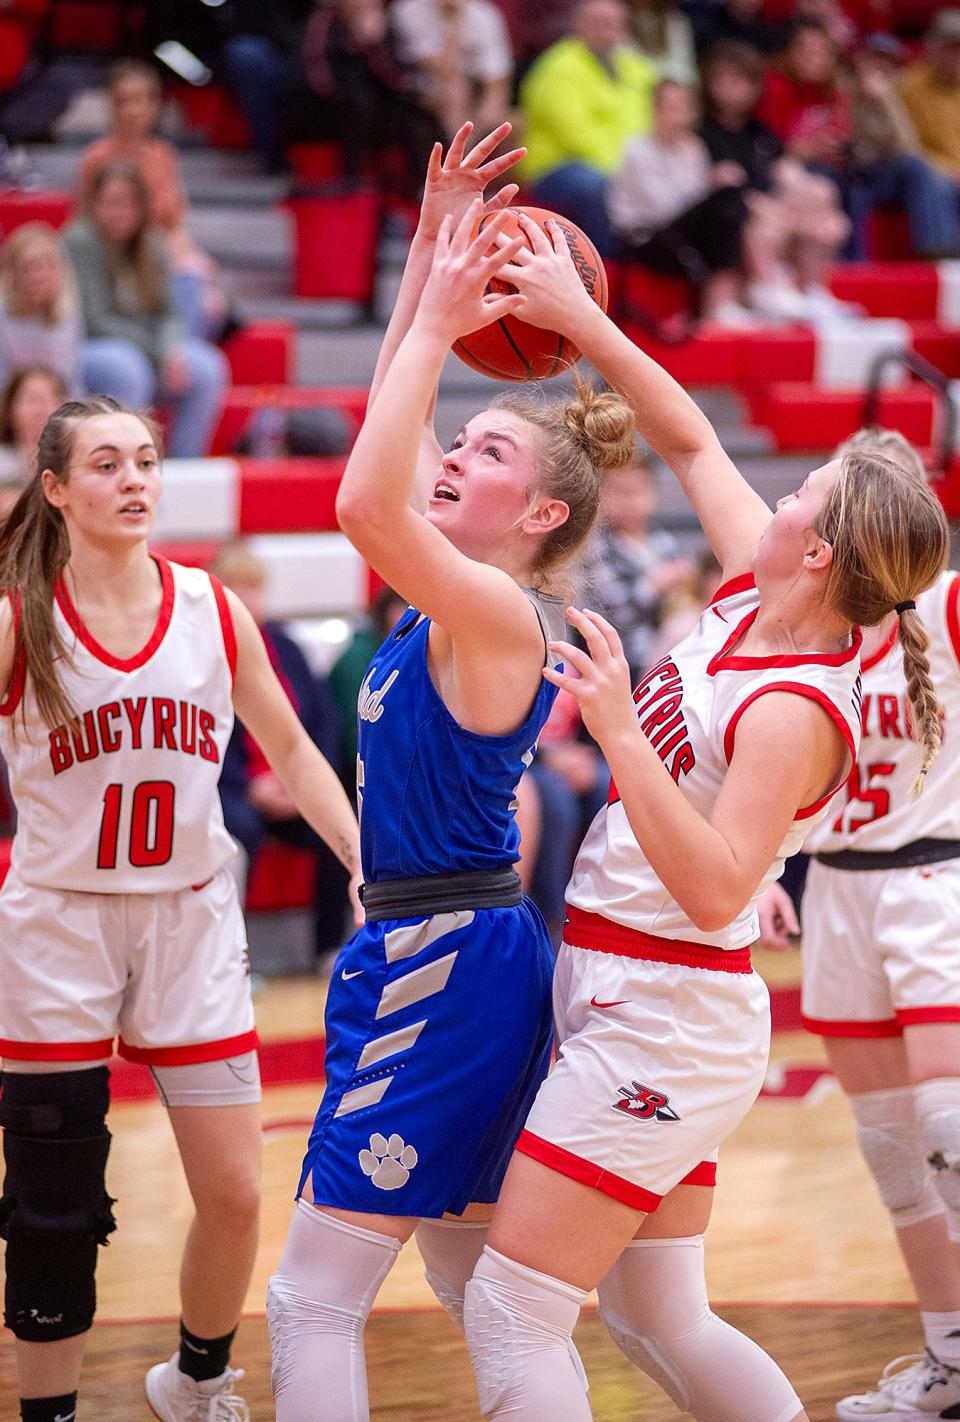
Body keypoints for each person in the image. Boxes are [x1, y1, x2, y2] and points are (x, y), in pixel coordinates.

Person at [455, 210, 949, 1422]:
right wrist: (582, 325)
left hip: (668, 1008)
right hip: (630, 983)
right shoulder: (753, 593)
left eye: (802, 492)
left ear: (820, 550)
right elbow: (681, 432)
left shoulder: (799, 703)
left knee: (511, 1308)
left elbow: (727, 885)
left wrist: (623, 731)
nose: (774, 494)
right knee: (654, 1314)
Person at [265, 121, 636, 1420]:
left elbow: (364, 497)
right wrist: (433, 253)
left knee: (312, 1295)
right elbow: (394, 442)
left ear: (541, 515)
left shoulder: (492, 612)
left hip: (443, 959)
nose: (451, 458)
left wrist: (439, 315)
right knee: (477, 1283)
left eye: (485, 453)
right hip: (458, 951)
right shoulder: (457, 595)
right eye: (460, 444)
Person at [0, 394, 361, 1422]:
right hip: (58, 924)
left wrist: (359, 859)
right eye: (107, 465)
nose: (134, 482)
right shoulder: (20, 617)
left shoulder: (210, 606)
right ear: (59, 489)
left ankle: (196, 1380)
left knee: (239, 1196)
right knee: (51, 1213)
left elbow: (291, 748)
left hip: (191, 919)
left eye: (147, 462)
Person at [761, 430, 960, 1420]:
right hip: (838, 890)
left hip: (937, 886)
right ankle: (950, 1359)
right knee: (892, 1156)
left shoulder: (952, 603)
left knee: (950, 1129)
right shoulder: (811, 622)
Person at [214, 540, 350, 957]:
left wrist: (303, 782)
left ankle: (329, 950)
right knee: (242, 832)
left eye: (253, 587)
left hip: (289, 781)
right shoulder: (204, 647)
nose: (247, 598)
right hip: (233, 788)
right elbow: (206, 734)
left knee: (339, 827)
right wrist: (252, 787)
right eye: (236, 588)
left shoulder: (284, 645)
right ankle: (232, 955)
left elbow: (323, 722)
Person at [64, 162, 229, 459]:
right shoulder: (78, 243)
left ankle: (184, 467)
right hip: (93, 349)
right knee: (129, 368)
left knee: (207, 368)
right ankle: (128, 465)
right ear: (94, 204)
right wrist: (158, 351)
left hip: (149, 349)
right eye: (112, 203)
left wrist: (170, 350)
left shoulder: (153, 244)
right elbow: (94, 320)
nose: (120, 212)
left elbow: (169, 312)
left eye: (128, 203)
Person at [699, 41, 855, 323]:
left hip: (772, 208)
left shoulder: (758, 130)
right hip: (734, 215)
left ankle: (813, 292)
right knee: (767, 225)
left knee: (825, 206)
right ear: (709, 82)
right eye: (724, 79)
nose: (731, 88)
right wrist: (786, 214)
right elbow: (728, 192)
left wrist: (817, 198)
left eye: (741, 80)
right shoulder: (704, 131)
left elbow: (786, 170)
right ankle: (765, 289)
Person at [75, 60, 229, 340]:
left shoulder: (163, 155)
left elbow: (175, 225)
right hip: (115, 260)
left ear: (155, 106)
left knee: (199, 281)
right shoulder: (97, 157)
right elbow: (86, 226)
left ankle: (180, 358)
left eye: (143, 100)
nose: (134, 111)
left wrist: (203, 272)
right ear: (113, 105)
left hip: (160, 256)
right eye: (126, 101)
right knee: (185, 281)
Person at [608, 77, 754, 323]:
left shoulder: (694, 148)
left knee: (732, 202)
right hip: (646, 237)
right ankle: (722, 301)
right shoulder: (637, 150)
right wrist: (709, 185)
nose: (678, 116)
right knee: (725, 200)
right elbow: (663, 206)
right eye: (671, 108)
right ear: (654, 110)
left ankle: (733, 297)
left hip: (680, 230)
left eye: (683, 108)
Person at [518, 0, 658, 255]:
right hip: (557, 168)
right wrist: (629, 170)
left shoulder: (634, 66)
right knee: (595, 185)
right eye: (600, 23)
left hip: (622, 165)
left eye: (616, 24)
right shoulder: (559, 67)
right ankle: (604, 267)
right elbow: (575, 135)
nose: (609, 31)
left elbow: (654, 114)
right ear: (578, 26)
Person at [847, 35, 960, 261]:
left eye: (888, 60)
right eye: (875, 59)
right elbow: (904, 148)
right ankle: (940, 251)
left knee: (919, 169)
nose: (880, 65)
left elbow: (903, 143)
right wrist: (882, 98)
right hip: (861, 173)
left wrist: (887, 99)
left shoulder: (894, 91)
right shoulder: (844, 88)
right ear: (860, 59)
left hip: (889, 172)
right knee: (919, 168)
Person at [582, 450, 689, 683]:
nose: (631, 501)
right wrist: (652, 586)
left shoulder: (663, 541)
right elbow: (612, 613)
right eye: (621, 492)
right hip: (623, 663)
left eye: (639, 491)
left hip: (672, 656)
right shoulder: (596, 548)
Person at [390, 0, 515, 139]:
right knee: (455, 91)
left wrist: (486, 117)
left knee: (512, 124)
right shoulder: (407, 11)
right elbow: (444, 69)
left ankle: (472, 150)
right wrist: (455, 21)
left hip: (474, 94)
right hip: (419, 94)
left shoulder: (485, 15)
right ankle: (459, 156)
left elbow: (496, 81)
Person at [0, 223, 82, 393]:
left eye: (43, 266)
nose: (36, 277)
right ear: (12, 274)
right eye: (27, 267)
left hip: (57, 404)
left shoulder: (69, 313)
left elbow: (71, 383)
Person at [900, 9, 960, 185]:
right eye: (951, 48)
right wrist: (949, 171)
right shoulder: (909, 87)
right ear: (933, 48)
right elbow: (907, 147)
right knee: (933, 183)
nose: (957, 57)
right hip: (936, 175)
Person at [0, 365, 68, 483]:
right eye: (31, 400)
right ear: (11, 408)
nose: (39, 411)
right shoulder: (3, 462)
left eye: (47, 400)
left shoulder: (73, 460)